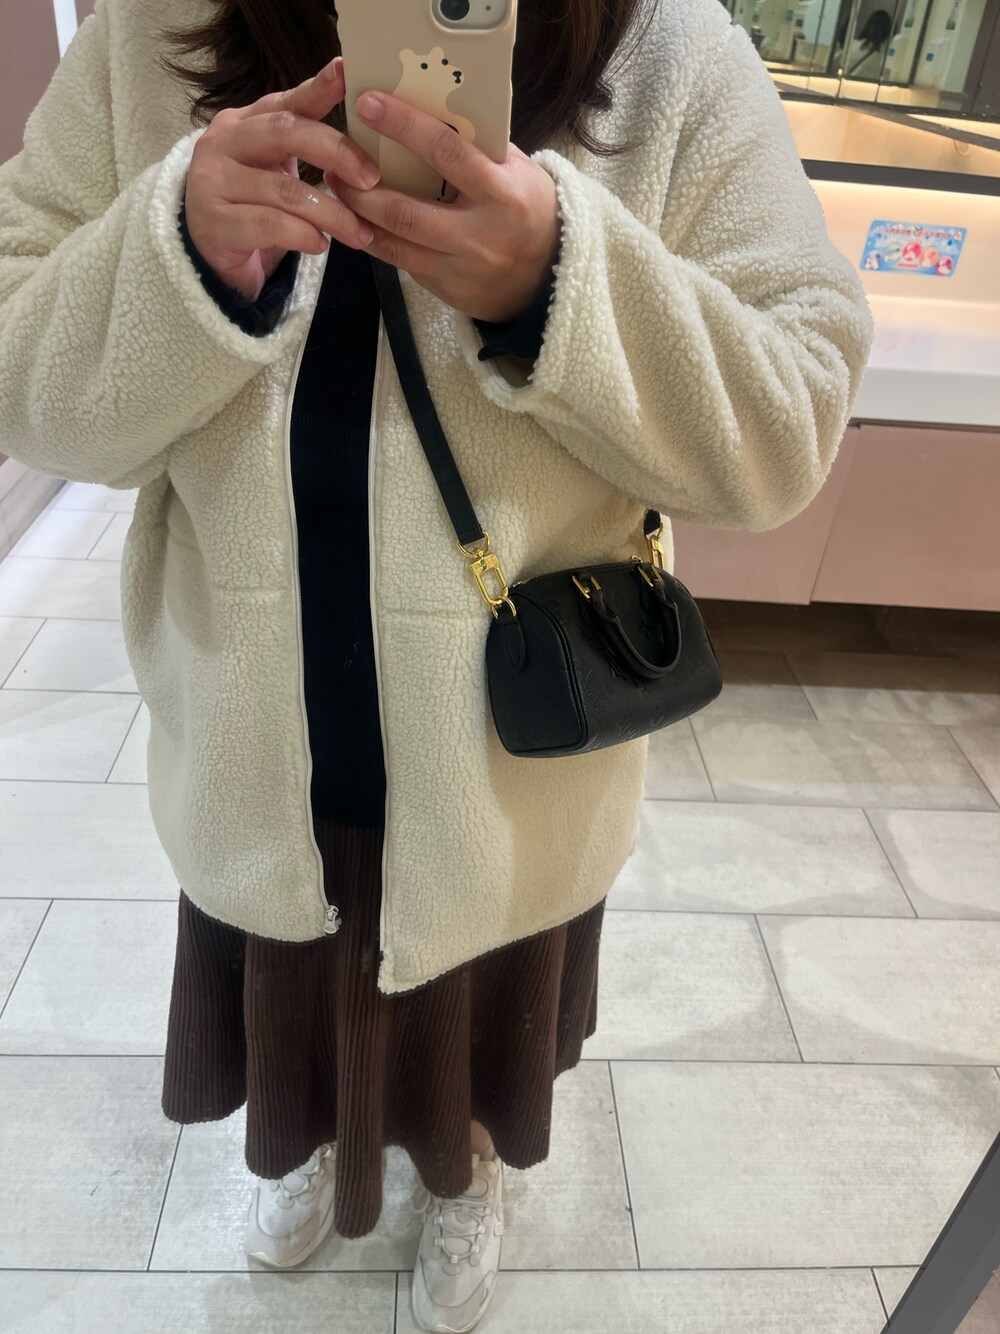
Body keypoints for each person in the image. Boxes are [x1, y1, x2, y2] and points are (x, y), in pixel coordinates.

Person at [0, 0, 874, 1329]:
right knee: (288, 984)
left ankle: (465, 1173)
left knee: (477, 1021)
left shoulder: (669, 54)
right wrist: (178, 246)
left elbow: (795, 407)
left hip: (506, 763)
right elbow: (17, 352)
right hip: (254, 737)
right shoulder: (159, 30)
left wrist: (556, 278)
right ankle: (301, 1141)